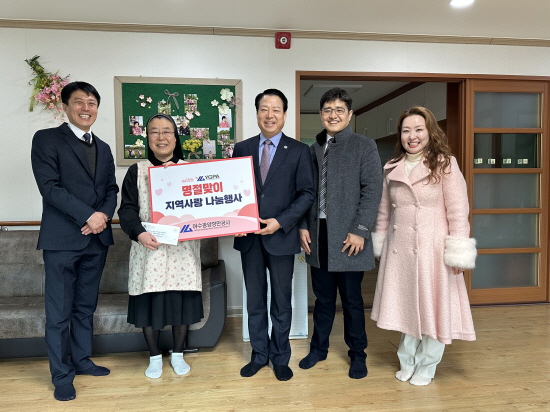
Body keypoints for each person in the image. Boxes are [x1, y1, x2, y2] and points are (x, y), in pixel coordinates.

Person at [370, 106, 477, 386]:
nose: (412, 136)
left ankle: (426, 366)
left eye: (418, 129)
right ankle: (407, 361)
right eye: (406, 131)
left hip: (434, 250)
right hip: (400, 249)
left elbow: (458, 212)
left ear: (430, 132)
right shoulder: (391, 167)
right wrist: (380, 243)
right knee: (407, 307)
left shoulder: (445, 164)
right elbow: (384, 211)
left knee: (434, 309)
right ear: (400, 135)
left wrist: (458, 252)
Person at [31, 81, 119, 401]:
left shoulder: (103, 147)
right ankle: (61, 375)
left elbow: (111, 190)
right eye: (79, 102)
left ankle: (82, 360)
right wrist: (88, 216)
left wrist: (102, 216)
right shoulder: (46, 139)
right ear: (65, 107)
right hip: (62, 240)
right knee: (59, 313)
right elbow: (50, 187)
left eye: (92, 103)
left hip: (96, 240)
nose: (86, 108)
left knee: (84, 307)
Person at [298, 88, 383, 379]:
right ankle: (318, 349)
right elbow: (305, 193)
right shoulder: (312, 149)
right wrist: (303, 226)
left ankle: (358, 354)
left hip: (350, 237)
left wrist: (360, 230)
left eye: (339, 110)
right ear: (321, 114)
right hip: (318, 234)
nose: (333, 115)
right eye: (327, 110)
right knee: (322, 299)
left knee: (352, 301)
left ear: (349, 114)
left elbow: (373, 190)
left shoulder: (364, 146)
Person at [232, 89, 315, 381]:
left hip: (282, 237)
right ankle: (259, 355)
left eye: (276, 110)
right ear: (257, 113)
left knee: (281, 301)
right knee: (255, 301)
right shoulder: (241, 148)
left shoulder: (299, 150)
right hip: (249, 238)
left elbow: (307, 193)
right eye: (264, 109)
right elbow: (232, 190)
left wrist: (281, 222)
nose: (270, 115)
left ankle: (280, 357)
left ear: (284, 114)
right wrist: (233, 219)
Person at [118, 114, 203, 379]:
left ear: (175, 138)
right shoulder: (137, 170)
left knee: (180, 303)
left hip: (182, 250)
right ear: (148, 138)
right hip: (149, 247)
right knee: (150, 303)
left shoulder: (190, 171)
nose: (161, 137)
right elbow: (127, 209)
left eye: (167, 131)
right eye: (154, 132)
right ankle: (154, 357)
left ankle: (177, 354)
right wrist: (139, 234)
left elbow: (204, 209)